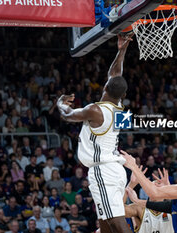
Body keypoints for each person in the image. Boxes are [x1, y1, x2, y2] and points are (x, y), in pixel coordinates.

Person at [57, 34, 132, 233]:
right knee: (105, 223)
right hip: (114, 169)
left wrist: (59, 103)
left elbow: (68, 115)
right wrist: (122, 50)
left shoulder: (95, 110)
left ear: (106, 87)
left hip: (103, 170)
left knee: (116, 222)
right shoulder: (120, 109)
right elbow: (115, 74)